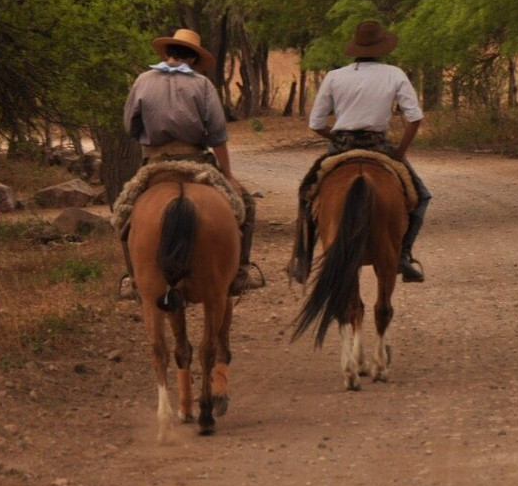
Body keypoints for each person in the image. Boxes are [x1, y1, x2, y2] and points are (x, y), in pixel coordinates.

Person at [289, 20, 431, 283]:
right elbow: (414, 118)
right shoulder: (394, 74)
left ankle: (303, 260)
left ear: (355, 48)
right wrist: (399, 152)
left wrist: (337, 137)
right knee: (421, 196)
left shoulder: (335, 77)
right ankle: (403, 255)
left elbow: (316, 124)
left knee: (306, 195)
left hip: (341, 146)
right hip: (378, 145)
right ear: (382, 48)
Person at [121, 28, 259, 294]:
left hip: (155, 161)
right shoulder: (202, 85)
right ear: (194, 59)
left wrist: (151, 140)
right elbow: (217, 134)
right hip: (195, 161)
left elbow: (130, 126)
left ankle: (133, 279)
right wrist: (228, 175)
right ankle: (240, 272)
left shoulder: (142, 80)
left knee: (123, 214)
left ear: (168, 53)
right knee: (247, 206)